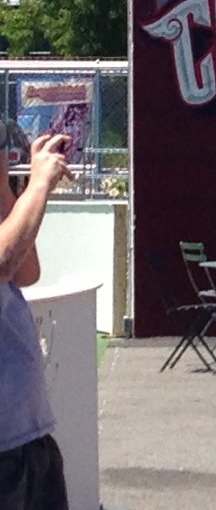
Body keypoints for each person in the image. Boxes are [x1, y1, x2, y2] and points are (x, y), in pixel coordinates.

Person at [0, 133, 75, 510]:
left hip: (27, 439)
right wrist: (39, 184)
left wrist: (5, 184)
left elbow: (25, 271)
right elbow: (3, 262)